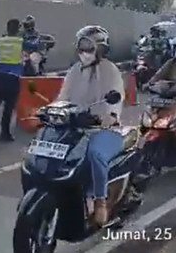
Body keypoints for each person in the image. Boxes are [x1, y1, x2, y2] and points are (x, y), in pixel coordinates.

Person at [53, 25, 126, 227]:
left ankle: (100, 202)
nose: (84, 53)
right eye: (82, 48)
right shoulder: (74, 70)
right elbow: (63, 97)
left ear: (100, 49)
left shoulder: (110, 70)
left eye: (89, 48)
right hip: (75, 127)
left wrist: (110, 115)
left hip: (103, 129)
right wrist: (51, 109)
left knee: (95, 154)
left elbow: (116, 97)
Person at [0, 18, 32, 142]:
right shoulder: (22, 42)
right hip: (13, 78)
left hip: (0, 77)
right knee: (8, 107)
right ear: (18, 29)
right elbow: (35, 47)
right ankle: (4, 134)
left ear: (7, 28)